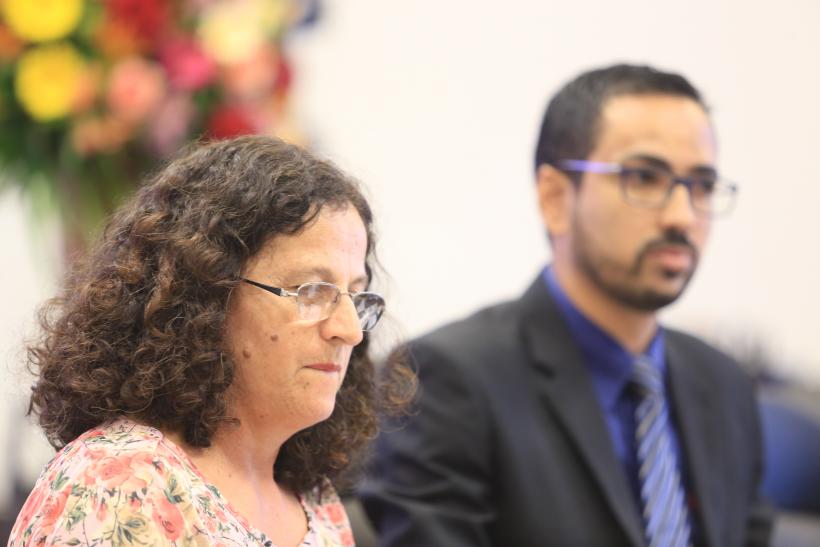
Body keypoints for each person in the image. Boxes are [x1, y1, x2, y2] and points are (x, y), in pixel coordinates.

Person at [360, 64, 773, 547]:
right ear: (554, 197)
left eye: (701, 185)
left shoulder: (722, 384)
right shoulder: (447, 379)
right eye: (644, 177)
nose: (682, 216)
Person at [9, 136, 413, 546]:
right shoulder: (120, 486)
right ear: (206, 296)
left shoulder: (315, 502)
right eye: (310, 291)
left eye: (355, 295)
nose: (350, 330)